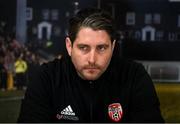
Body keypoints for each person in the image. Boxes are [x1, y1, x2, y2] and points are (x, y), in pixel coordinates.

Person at [18, 8, 164, 123]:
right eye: (83, 48)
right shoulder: (47, 78)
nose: (92, 59)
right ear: (69, 46)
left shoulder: (134, 76)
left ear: (112, 47)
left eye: (101, 48)